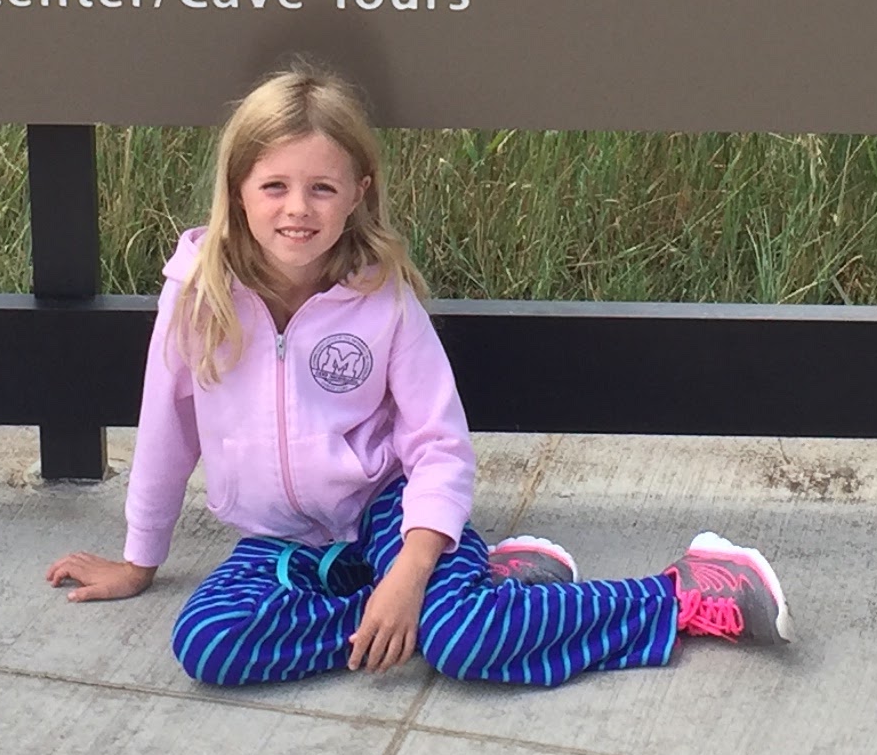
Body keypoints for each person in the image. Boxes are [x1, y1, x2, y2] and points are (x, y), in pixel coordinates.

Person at [47, 65, 792, 683]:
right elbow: (167, 429)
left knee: (465, 644)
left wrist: (409, 572)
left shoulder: (383, 301)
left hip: (390, 511)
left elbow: (439, 446)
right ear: (238, 188)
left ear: (359, 192)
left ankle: (679, 595)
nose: (297, 210)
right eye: (274, 186)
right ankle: (478, 596)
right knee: (210, 645)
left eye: (323, 189)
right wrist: (140, 559)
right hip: (279, 538)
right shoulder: (196, 293)